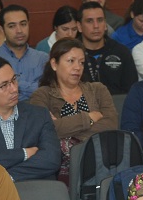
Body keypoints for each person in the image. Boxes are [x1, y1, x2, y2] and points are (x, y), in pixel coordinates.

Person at [30, 38, 118, 184]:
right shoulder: (41, 95)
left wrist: (67, 134)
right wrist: (89, 118)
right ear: (54, 64)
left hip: (101, 164)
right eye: (71, 61)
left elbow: (111, 124)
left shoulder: (98, 89)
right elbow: (47, 132)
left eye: (81, 62)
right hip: (59, 171)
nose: (77, 67)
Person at [0, 55, 61, 181]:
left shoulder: (39, 115)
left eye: (13, 80)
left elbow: (51, 159)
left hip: (38, 192)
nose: (14, 89)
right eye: (4, 85)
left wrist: (7, 176)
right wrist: (24, 153)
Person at [0, 4, 50, 100]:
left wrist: (13, 84)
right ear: (1, 29)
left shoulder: (43, 58)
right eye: (12, 26)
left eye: (23, 24)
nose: (19, 30)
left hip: (38, 111)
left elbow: (46, 91)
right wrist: (32, 87)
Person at [78, 2, 138, 94]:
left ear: (105, 24)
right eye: (89, 21)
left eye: (100, 20)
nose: (96, 26)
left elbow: (131, 91)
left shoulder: (121, 52)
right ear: (79, 26)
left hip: (117, 106)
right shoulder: (70, 54)